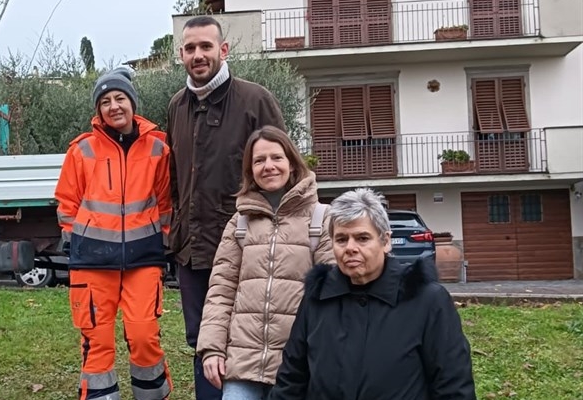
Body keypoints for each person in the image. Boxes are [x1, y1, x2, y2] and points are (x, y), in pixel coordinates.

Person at [167, 15, 286, 400]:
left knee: (247, 338)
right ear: (181, 55)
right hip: (192, 253)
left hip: (246, 249)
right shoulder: (176, 106)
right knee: (202, 343)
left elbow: (282, 172)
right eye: (190, 48)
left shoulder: (255, 100)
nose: (198, 55)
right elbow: (175, 178)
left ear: (223, 49)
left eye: (206, 46)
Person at [268, 188, 477, 400]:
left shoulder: (427, 300)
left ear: (385, 242)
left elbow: (453, 386)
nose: (350, 248)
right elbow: (292, 379)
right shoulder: (317, 297)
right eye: (341, 239)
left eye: (362, 238)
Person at [56, 66, 173, 400]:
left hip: (143, 259)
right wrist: (76, 240)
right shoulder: (82, 150)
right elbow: (67, 202)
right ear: (98, 110)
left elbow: (165, 201)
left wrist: (163, 239)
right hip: (92, 263)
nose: (114, 106)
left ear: (132, 102)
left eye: (120, 98)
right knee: (97, 342)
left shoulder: (158, 148)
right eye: (105, 101)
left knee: (144, 335)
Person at [196, 126, 335, 400]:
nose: (268, 166)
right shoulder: (239, 223)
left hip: (297, 367)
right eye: (259, 160)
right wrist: (212, 348)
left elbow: (333, 297)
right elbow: (221, 292)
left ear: (291, 163)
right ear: (250, 170)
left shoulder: (322, 219)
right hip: (243, 366)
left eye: (276, 157)